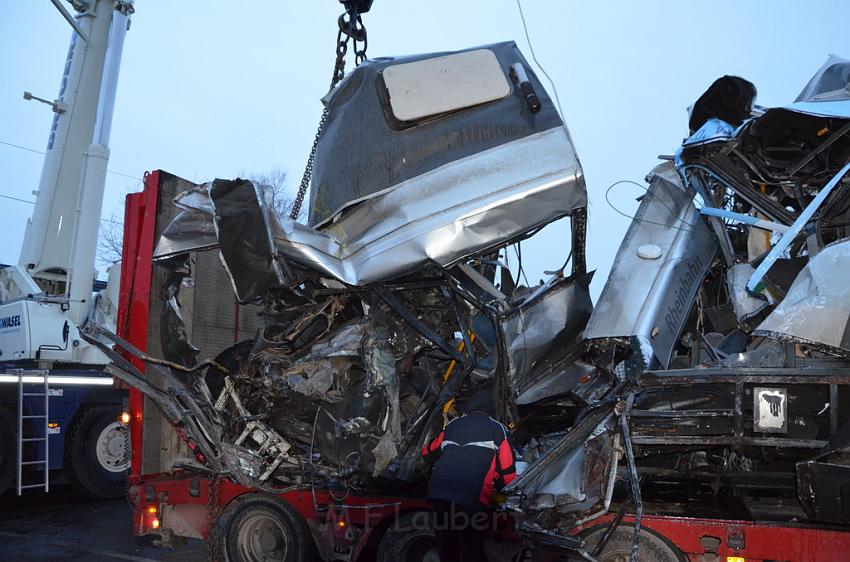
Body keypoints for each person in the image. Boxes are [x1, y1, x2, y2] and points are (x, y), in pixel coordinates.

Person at [421, 388, 517, 562]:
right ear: (492, 409)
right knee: (471, 549)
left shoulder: (453, 425)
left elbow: (427, 453)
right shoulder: (498, 429)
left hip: (438, 497)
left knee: (447, 550)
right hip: (470, 500)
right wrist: (504, 495)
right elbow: (508, 473)